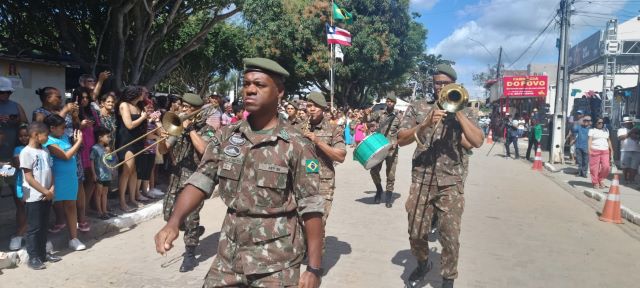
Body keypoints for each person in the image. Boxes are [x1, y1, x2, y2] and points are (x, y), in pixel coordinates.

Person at [154, 58, 325, 288]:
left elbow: (311, 207)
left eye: (260, 85)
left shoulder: (297, 144)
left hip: (277, 263)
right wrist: (174, 222)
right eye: (246, 84)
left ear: (280, 91)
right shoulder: (227, 136)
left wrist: (313, 268)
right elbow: (201, 180)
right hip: (230, 255)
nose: (250, 90)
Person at [396, 64, 484, 288]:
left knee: (450, 236)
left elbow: (478, 141)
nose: (441, 87)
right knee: (415, 232)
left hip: (450, 182)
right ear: (432, 84)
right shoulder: (419, 107)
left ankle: (448, 279)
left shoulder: (467, 109)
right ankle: (423, 262)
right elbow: (401, 138)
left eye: (446, 83)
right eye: (438, 83)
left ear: (454, 85)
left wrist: (459, 114)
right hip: (422, 180)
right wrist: (425, 123)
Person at [157, 92, 214, 273]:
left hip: (194, 180)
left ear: (197, 110)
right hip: (175, 175)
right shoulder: (178, 125)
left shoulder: (207, 129)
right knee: (169, 215)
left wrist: (191, 131)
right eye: (183, 107)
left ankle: (190, 254)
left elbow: (205, 150)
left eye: (188, 108)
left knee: (190, 217)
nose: (184, 110)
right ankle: (195, 232)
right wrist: (161, 138)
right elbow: (164, 150)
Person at [296, 91, 346, 229]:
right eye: (310, 105)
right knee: (301, 226)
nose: (312, 109)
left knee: (318, 226)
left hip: (323, 183)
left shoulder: (333, 128)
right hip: (301, 182)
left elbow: (341, 156)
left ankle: (317, 251)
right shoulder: (297, 128)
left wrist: (318, 141)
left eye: (316, 106)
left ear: (323, 108)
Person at [20, 122, 61, 270]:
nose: (47, 138)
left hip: (47, 195)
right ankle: (33, 257)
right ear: (36, 135)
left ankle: (43, 254)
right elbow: (29, 177)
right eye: (46, 135)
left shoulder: (45, 151)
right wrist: (45, 191)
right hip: (34, 197)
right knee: (34, 228)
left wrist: (52, 188)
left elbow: (51, 170)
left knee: (44, 226)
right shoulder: (26, 152)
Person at [43, 114, 86, 251]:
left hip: (70, 177)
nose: (64, 130)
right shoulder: (47, 141)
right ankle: (43, 240)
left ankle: (74, 238)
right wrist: (78, 142)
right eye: (62, 128)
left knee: (71, 206)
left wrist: (75, 141)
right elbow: (66, 156)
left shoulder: (63, 137)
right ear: (52, 128)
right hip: (55, 178)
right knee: (46, 209)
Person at [115, 85, 148, 212]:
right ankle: (122, 201)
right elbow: (129, 125)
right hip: (127, 140)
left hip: (138, 141)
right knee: (127, 171)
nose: (143, 94)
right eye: (141, 92)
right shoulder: (124, 105)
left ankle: (133, 198)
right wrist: (143, 118)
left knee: (135, 171)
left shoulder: (139, 106)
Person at [364, 93, 401, 207]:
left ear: (394, 103)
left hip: (391, 149)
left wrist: (396, 143)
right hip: (379, 148)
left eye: (392, 101)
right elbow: (367, 120)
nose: (389, 103)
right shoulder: (380, 113)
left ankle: (389, 196)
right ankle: (379, 190)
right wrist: (366, 115)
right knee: (374, 171)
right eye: (388, 101)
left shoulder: (399, 116)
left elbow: (402, 133)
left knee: (390, 174)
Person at [8, 125, 29, 251]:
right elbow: (18, 164)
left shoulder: (38, 148)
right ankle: (19, 234)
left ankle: (22, 233)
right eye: (21, 136)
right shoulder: (18, 149)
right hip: (21, 183)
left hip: (34, 184)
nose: (23, 138)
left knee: (31, 209)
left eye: (26, 135)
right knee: (21, 207)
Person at [90, 127, 116, 220]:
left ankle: (105, 211)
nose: (109, 139)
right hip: (99, 174)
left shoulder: (107, 148)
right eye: (108, 137)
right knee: (98, 193)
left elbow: (110, 160)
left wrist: (110, 153)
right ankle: (100, 212)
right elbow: (92, 161)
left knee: (105, 193)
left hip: (107, 174)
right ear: (100, 137)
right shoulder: (95, 148)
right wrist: (93, 174)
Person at [589, 117, 613, 189]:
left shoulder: (606, 130)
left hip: (605, 150)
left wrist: (611, 149)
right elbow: (589, 140)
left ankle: (601, 179)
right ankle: (595, 182)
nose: (601, 124)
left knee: (606, 167)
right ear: (595, 123)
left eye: (602, 123)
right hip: (595, 150)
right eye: (599, 122)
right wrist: (589, 149)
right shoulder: (592, 130)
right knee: (594, 168)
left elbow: (608, 140)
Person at [617, 116, 640, 183]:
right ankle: (625, 178)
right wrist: (630, 133)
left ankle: (632, 179)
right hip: (625, 150)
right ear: (624, 123)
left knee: (634, 166)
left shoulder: (637, 129)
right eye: (627, 123)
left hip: (636, 150)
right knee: (625, 166)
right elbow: (621, 138)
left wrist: (635, 135)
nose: (629, 124)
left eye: (630, 122)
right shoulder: (621, 130)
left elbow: (637, 137)